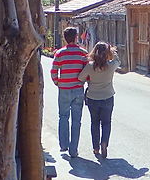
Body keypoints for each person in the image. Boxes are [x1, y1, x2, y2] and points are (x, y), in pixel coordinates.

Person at [78, 41, 121, 159]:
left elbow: (80, 77)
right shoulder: (111, 65)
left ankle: (96, 147)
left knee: (94, 123)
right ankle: (104, 143)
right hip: (107, 97)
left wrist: (89, 79)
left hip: (92, 97)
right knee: (106, 123)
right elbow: (118, 61)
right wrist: (113, 52)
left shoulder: (90, 66)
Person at [51, 26, 88, 158]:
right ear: (76, 37)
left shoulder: (59, 53)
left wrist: (57, 82)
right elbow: (87, 72)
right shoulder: (83, 53)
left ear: (65, 38)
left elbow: (54, 71)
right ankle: (74, 150)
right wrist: (83, 81)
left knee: (63, 117)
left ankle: (64, 145)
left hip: (64, 89)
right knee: (76, 120)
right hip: (78, 89)